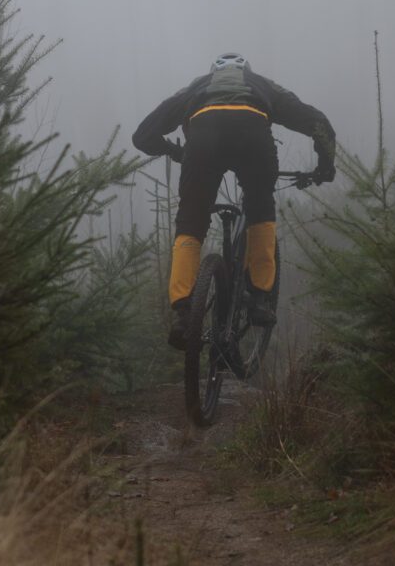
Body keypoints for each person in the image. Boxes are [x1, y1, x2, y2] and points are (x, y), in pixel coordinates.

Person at [132, 53, 336, 349]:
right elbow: (318, 123)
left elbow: (143, 136)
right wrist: (325, 167)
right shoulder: (263, 86)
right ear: (246, 72)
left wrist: (175, 152)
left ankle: (184, 312)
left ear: (212, 73)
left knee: (190, 223)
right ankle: (259, 300)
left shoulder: (195, 88)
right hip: (252, 136)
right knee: (260, 209)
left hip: (202, 139)